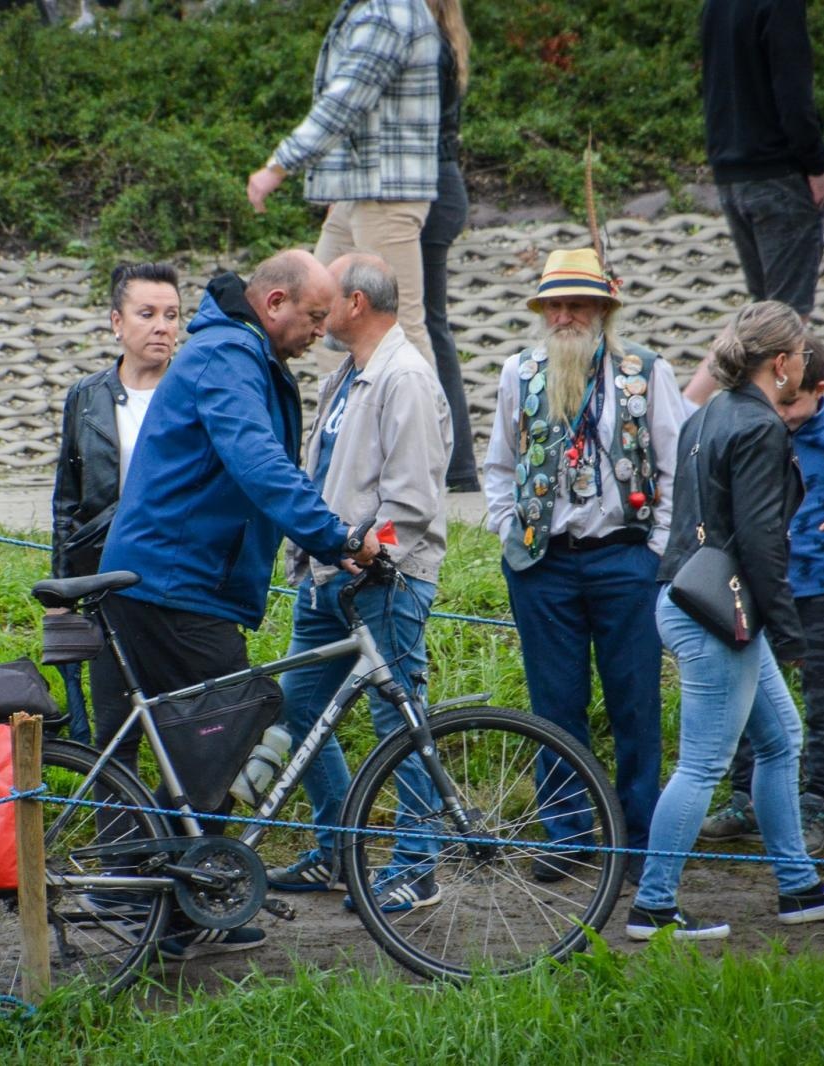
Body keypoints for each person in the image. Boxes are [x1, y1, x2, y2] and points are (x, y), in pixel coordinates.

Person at [96, 249, 380, 959]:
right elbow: (258, 461)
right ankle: (172, 911)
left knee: (200, 754)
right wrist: (333, 537)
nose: (324, 329)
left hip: (176, 582)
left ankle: (174, 910)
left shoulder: (239, 351)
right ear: (274, 302)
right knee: (227, 739)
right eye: (316, 316)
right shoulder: (228, 355)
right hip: (169, 588)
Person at [630, 302, 824, 940]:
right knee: (704, 766)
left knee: (780, 738)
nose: (802, 366)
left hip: (697, 600)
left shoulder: (707, 413)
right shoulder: (762, 427)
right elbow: (764, 542)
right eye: (800, 356)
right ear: (781, 363)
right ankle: (653, 907)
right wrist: (792, 634)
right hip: (720, 612)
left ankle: (797, 887)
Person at [483, 247, 682, 887]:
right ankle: (567, 835)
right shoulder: (519, 372)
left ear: (602, 309)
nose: (565, 315)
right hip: (544, 565)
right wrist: (510, 532)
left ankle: (639, 839)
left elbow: (676, 466)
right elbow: (499, 465)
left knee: (635, 705)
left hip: (625, 560)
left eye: (578, 303)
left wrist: (657, 551)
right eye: (555, 305)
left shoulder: (648, 372)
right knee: (554, 707)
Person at [263, 254, 452, 910]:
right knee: (297, 708)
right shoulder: (346, 375)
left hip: (384, 581)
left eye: (325, 299)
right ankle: (338, 851)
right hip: (328, 576)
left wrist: (372, 552)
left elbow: (413, 505)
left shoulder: (405, 379)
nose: (317, 309)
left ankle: (417, 865)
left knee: (397, 720)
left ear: (356, 304)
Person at [700, 334, 824, 855]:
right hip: (758, 592)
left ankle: (815, 802)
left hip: (822, 593)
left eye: (793, 401)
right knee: (746, 700)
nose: (785, 411)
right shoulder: (758, 430)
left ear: (818, 390)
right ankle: (743, 801)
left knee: (821, 703)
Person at [246, 0, 440, 363]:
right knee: (320, 314)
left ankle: (424, 420)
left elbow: (345, 101)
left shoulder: (389, 13)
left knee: (397, 326)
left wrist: (278, 167)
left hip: (387, 194)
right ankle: (339, 418)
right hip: (358, 192)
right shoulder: (370, 9)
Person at [49, 262, 181, 743]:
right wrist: (62, 589)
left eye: (171, 314)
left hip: (178, 582)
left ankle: (181, 821)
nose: (162, 326)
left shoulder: (192, 389)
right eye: (147, 313)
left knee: (186, 727)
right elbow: (68, 499)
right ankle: (120, 821)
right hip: (108, 582)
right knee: (114, 727)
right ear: (117, 322)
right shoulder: (86, 397)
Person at [684, 0, 824, 406]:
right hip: (778, 173)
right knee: (783, 321)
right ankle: (687, 411)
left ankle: (694, 410)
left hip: (732, 173)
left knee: (762, 316)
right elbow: (794, 94)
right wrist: (814, 164)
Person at [419, 0, 478, 492]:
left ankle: (456, 464)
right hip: (443, 187)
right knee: (432, 323)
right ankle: (457, 464)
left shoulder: (424, 42)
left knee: (427, 325)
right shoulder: (444, 37)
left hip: (432, 191)